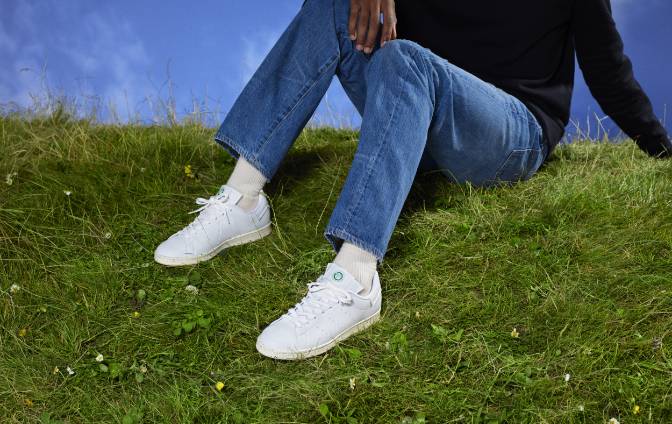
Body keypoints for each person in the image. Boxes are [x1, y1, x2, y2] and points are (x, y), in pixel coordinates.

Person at [154, 0, 671, 360]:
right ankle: (244, 198)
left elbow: (608, 71)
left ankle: (355, 278)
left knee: (407, 61)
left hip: (510, 129)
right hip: (415, 106)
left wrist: (659, 147)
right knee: (334, 5)